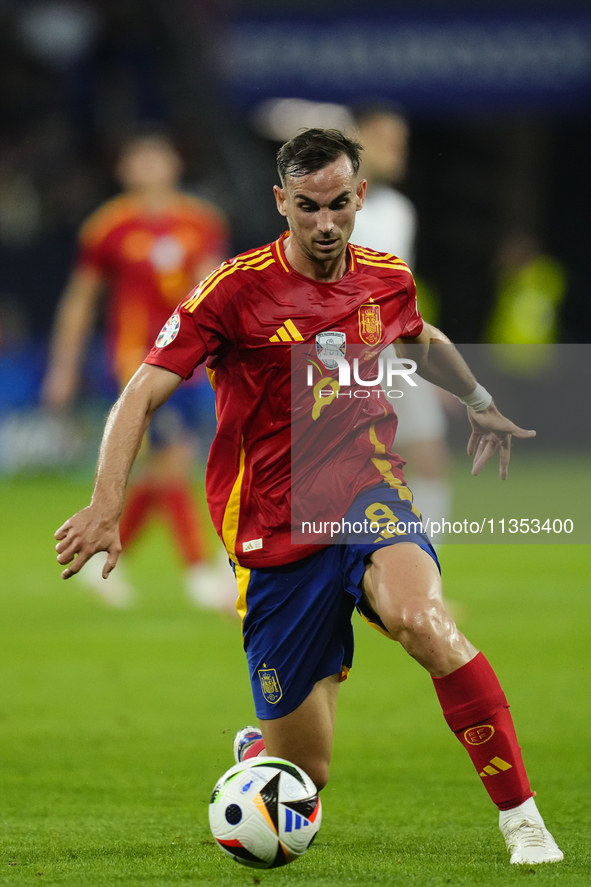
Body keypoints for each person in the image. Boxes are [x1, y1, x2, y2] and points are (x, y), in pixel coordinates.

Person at [53, 129, 562, 865]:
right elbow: (141, 392)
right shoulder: (231, 289)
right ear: (280, 202)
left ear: (359, 195)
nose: (324, 224)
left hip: (366, 493)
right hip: (271, 527)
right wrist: (105, 503)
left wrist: (478, 397)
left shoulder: (385, 277)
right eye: (306, 207)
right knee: (305, 772)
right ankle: (263, 744)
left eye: (337, 205)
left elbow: (417, 336)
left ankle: (521, 818)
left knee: (424, 620)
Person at [42, 130, 233, 609]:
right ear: (124, 170)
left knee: (160, 470)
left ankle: (103, 557)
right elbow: (81, 301)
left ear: (175, 164)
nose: (149, 167)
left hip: (190, 361)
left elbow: (217, 289)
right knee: (171, 461)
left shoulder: (201, 221)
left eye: (157, 157)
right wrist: (63, 367)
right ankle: (198, 572)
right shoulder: (108, 226)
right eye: (139, 159)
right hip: (134, 362)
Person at [351, 104, 451, 541]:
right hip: (341, 353)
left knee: (428, 455)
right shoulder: (329, 208)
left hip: (395, 352)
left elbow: (401, 294)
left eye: (401, 141)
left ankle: (425, 578)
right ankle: (248, 571)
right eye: (388, 139)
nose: (398, 150)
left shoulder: (399, 211)